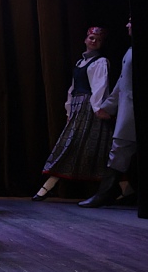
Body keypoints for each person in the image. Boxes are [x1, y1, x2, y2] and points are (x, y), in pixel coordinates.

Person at [34, 26, 114, 201]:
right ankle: (126, 188)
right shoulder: (80, 63)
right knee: (89, 147)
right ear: (86, 39)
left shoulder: (100, 62)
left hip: (89, 107)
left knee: (90, 147)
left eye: (98, 40)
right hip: (78, 106)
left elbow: (99, 87)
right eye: (91, 38)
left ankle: (47, 187)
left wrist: (97, 109)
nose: (94, 41)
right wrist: (69, 110)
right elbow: (72, 89)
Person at [81, 19, 135, 207]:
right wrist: (108, 106)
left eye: (131, 21)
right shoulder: (130, 50)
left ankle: (107, 194)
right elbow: (122, 82)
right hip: (128, 109)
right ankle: (107, 193)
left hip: (133, 110)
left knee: (120, 148)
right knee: (119, 149)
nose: (127, 25)